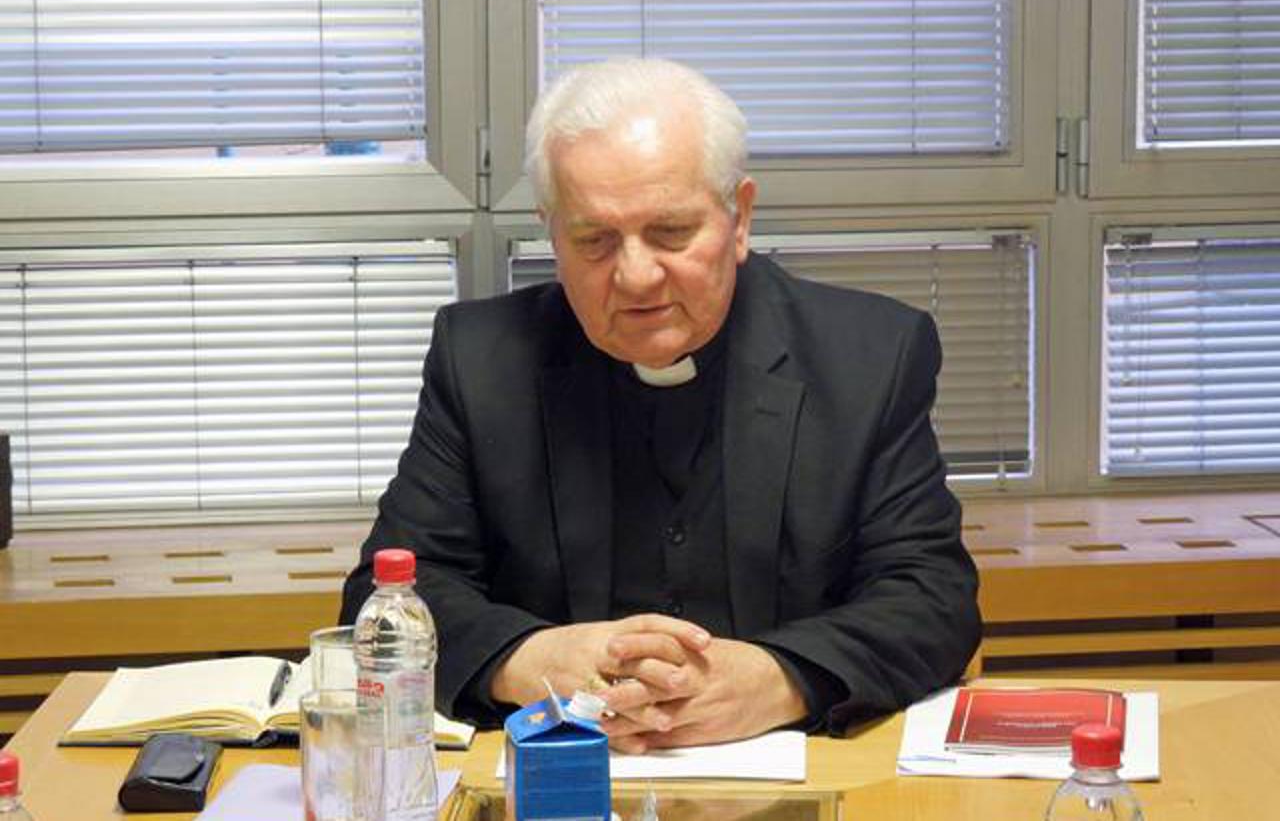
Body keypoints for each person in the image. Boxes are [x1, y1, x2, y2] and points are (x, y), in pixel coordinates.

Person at [340, 57, 980, 753]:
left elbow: (931, 600)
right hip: (556, 764)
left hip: (796, 766)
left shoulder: (870, 356)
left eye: (671, 232)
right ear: (551, 232)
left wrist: (777, 679)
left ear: (739, 218)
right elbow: (388, 597)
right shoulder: (481, 360)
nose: (637, 276)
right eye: (594, 240)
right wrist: (531, 660)